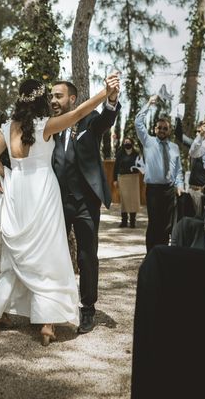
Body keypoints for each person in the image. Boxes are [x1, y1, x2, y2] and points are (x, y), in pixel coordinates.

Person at [0, 74, 120, 345]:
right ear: (40, 101)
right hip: (43, 192)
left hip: (18, 192)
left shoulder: (6, 127)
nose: (53, 101)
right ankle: (47, 323)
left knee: (15, 255)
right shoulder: (46, 126)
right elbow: (81, 110)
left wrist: (6, 176)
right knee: (49, 255)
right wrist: (104, 93)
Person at [51, 80, 121, 333]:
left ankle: (88, 309)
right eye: (51, 96)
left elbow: (106, 121)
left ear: (72, 99)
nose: (53, 101)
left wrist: (111, 101)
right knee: (54, 254)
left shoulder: (90, 120)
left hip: (85, 202)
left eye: (58, 96)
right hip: (56, 201)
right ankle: (54, 306)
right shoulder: (51, 126)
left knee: (87, 255)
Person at [135, 96, 184, 252]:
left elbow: (178, 170)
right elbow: (137, 122)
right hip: (154, 190)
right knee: (154, 223)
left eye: (165, 128)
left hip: (169, 190)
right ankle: (151, 256)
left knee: (167, 225)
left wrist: (180, 185)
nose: (162, 130)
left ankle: (163, 254)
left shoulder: (174, 148)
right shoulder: (148, 142)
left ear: (169, 131)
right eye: (159, 128)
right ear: (155, 129)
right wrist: (148, 104)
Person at [175, 116, 205, 218]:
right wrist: (178, 117)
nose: (199, 133)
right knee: (189, 220)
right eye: (198, 131)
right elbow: (178, 135)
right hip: (191, 192)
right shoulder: (193, 144)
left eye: (202, 131)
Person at [113, 137, 141, 228]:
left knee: (133, 200)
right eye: (125, 142)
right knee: (124, 201)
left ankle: (132, 221)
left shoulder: (136, 154)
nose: (127, 143)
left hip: (133, 178)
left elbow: (140, 165)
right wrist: (114, 179)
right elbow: (116, 167)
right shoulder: (120, 153)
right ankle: (124, 221)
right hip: (123, 178)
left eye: (129, 142)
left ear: (132, 143)